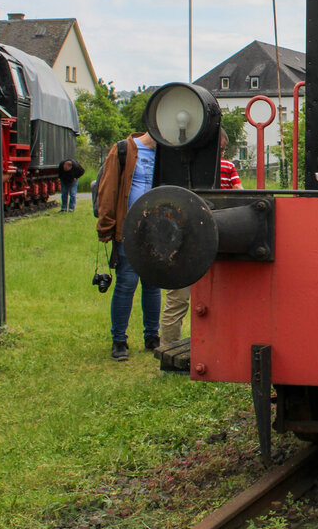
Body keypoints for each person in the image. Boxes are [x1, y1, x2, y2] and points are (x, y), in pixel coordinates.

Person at [159, 129, 242, 347]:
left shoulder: (174, 168)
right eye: (221, 148)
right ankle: (218, 346)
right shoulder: (227, 167)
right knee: (212, 296)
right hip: (209, 233)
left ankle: (169, 347)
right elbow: (239, 193)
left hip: (182, 236)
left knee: (176, 299)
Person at [95, 131, 161, 360]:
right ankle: (119, 341)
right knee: (127, 282)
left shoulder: (165, 153)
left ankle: (153, 336)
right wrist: (106, 225)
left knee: (153, 283)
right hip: (128, 228)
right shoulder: (124, 149)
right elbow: (108, 188)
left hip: (156, 230)